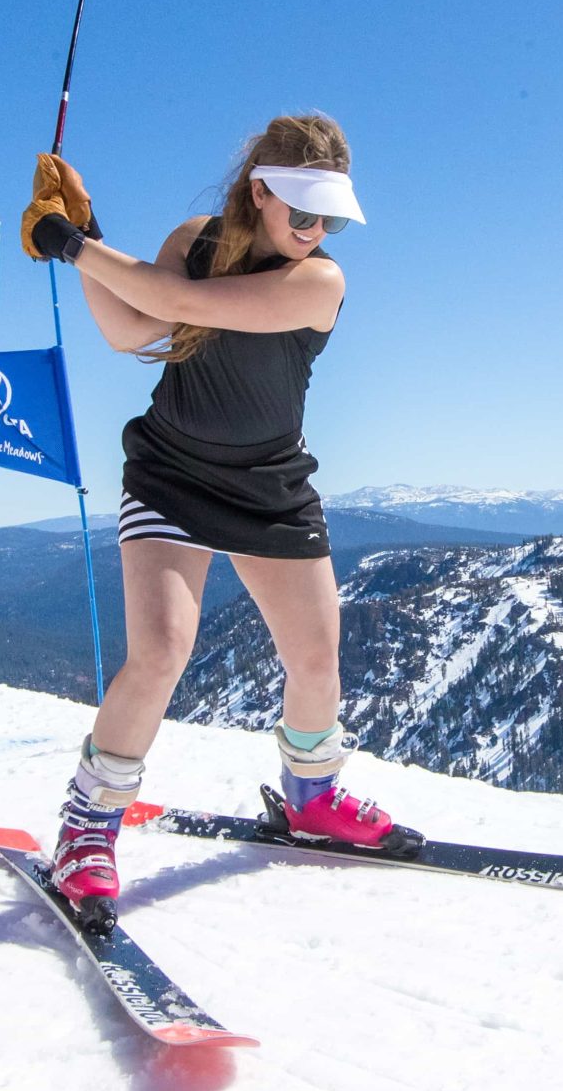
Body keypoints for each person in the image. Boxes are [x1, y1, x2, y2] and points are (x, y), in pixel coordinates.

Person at [22, 112, 418, 930]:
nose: (316, 231)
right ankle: (88, 826)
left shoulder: (321, 283)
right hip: (170, 475)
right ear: (261, 190)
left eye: (331, 218)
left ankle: (313, 797)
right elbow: (129, 327)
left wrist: (74, 244)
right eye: (303, 212)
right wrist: (87, 236)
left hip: (270, 487)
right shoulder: (195, 238)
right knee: (161, 651)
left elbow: (172, 300)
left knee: (315, 658)